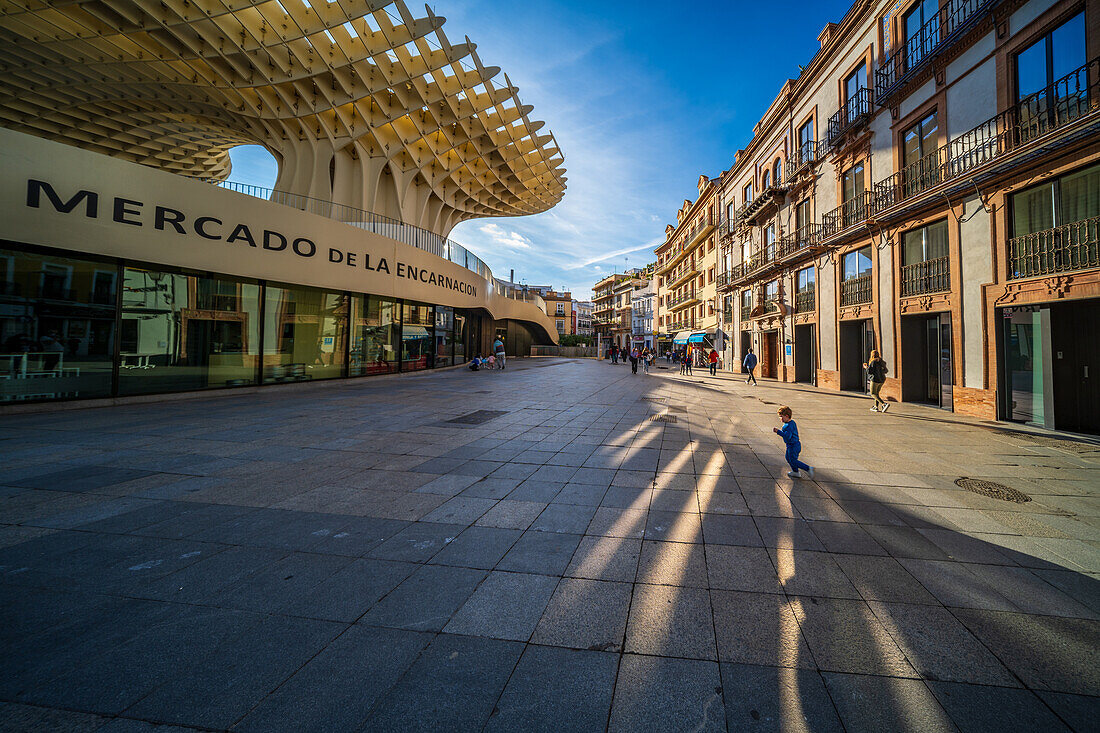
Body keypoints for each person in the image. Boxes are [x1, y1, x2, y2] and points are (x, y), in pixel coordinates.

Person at [773, 405, 814, 480]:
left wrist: (778, 432)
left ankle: (808, 468)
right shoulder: (791, 423)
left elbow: (787, 436)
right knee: (788, 458)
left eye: (781, 417)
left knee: (793, 460)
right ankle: (795, 472)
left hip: (793, 446)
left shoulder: (788, 426)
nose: (780, 419)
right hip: (791, 445)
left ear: (787, 416)